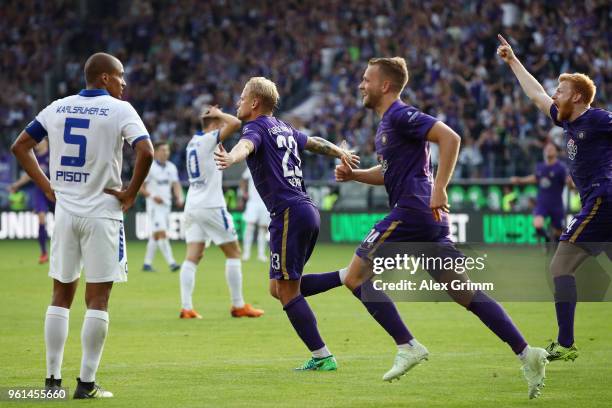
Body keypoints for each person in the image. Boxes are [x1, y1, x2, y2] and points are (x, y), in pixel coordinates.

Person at [329, 57, 548, 398]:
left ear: (385, 85)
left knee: (356, 277)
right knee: (464, 293)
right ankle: (527, 353)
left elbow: (450, 138)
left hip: (412, 211)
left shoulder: (401, 115)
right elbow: (388, 173)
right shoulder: (387, 124)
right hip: (428, 219)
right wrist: (354, 175)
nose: (360, 85)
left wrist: (440, 187)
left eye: (366, 79)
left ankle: (407, 345)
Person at [11, 52, 153, 398]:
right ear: (104, 77)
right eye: (120, 76)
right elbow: (146, 151)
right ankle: (86, 385)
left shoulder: (57, 107)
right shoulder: (121, 110)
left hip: (66, 212)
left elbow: (20, 146)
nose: (123, 83)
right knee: (98, 298)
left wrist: (46, 187)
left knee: (60, 295)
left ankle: (51, 382)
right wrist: (131, 193)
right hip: (103, 212)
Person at [214, 77, 359, 371]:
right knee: (277, 288)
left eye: (242, 98)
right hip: (306, 210)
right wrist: (340, 151)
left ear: (254, 102)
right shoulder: (285, 128)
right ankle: (344, 276)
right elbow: (316, 143)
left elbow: (245, 145)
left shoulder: (254, 127)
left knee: (287, 291)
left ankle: (323, 356)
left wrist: (231, 157)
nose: (238, 102)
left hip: (289, 214)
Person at [498, 34, 612, 362]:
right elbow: (535, 94)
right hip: (600, 202)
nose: (554, 95)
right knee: (563, 267)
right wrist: (512, 60)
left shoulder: (598, 119)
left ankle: (565, 343)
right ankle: (565, 342)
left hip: (602, 201)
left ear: (576, 96)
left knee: (560, 265)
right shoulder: (568, 122)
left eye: (560, 91)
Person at [180, 106, 264, 319]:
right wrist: (218, 115)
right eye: (219, 124)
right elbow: (235, 123)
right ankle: (238, 305)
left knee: (193, 255)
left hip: (193, 204)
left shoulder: (192, 142)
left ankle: (186, 307)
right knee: (234, 252)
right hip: (210, 205)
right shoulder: (209, 139)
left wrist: (214, 117)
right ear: (215, 125)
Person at [511, 143, 569, 242]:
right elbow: (535, 178)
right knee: (537, 224)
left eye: (551, 148)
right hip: (542, 202)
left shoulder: (561, 168)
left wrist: (572, 185)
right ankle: (546, 238)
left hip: (556, 203)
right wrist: (520, 180)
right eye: (546, 148)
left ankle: (554, 252)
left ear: (556, 152)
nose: (548, 150)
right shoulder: (540, 166)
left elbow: (567, 181)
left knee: (558, 232)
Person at [140, 141, 183, 272]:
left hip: (166, 205)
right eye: (163, 150)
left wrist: (180, 197)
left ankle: (147, 264)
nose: (166, 153)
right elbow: (141, 188)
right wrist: (153, 196)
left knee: (155, 235)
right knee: (162, 233)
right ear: (156, 152)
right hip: (154, 206)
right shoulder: (149, 167)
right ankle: (172, 263)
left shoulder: (171, 167)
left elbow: (176, 184)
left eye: (167, 150)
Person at [9, 138, 53, 263]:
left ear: (46, 142)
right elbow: (29, 174)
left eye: (39, 142)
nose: (36, 144)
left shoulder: (54, 154)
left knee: (62, 221)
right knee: (41, 219)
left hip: (56, 192)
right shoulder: (35, 158)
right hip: (40, 192)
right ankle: (44, 253)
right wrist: (16, 185)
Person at [240, 167, 270, 262]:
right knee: (249, 227)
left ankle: (261, 254)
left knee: (263, 228)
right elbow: (243, 179)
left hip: (265, 202)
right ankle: (246, 253)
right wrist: (243, 193)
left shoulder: (270, 166)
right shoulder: (252, 165)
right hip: (252, 202)